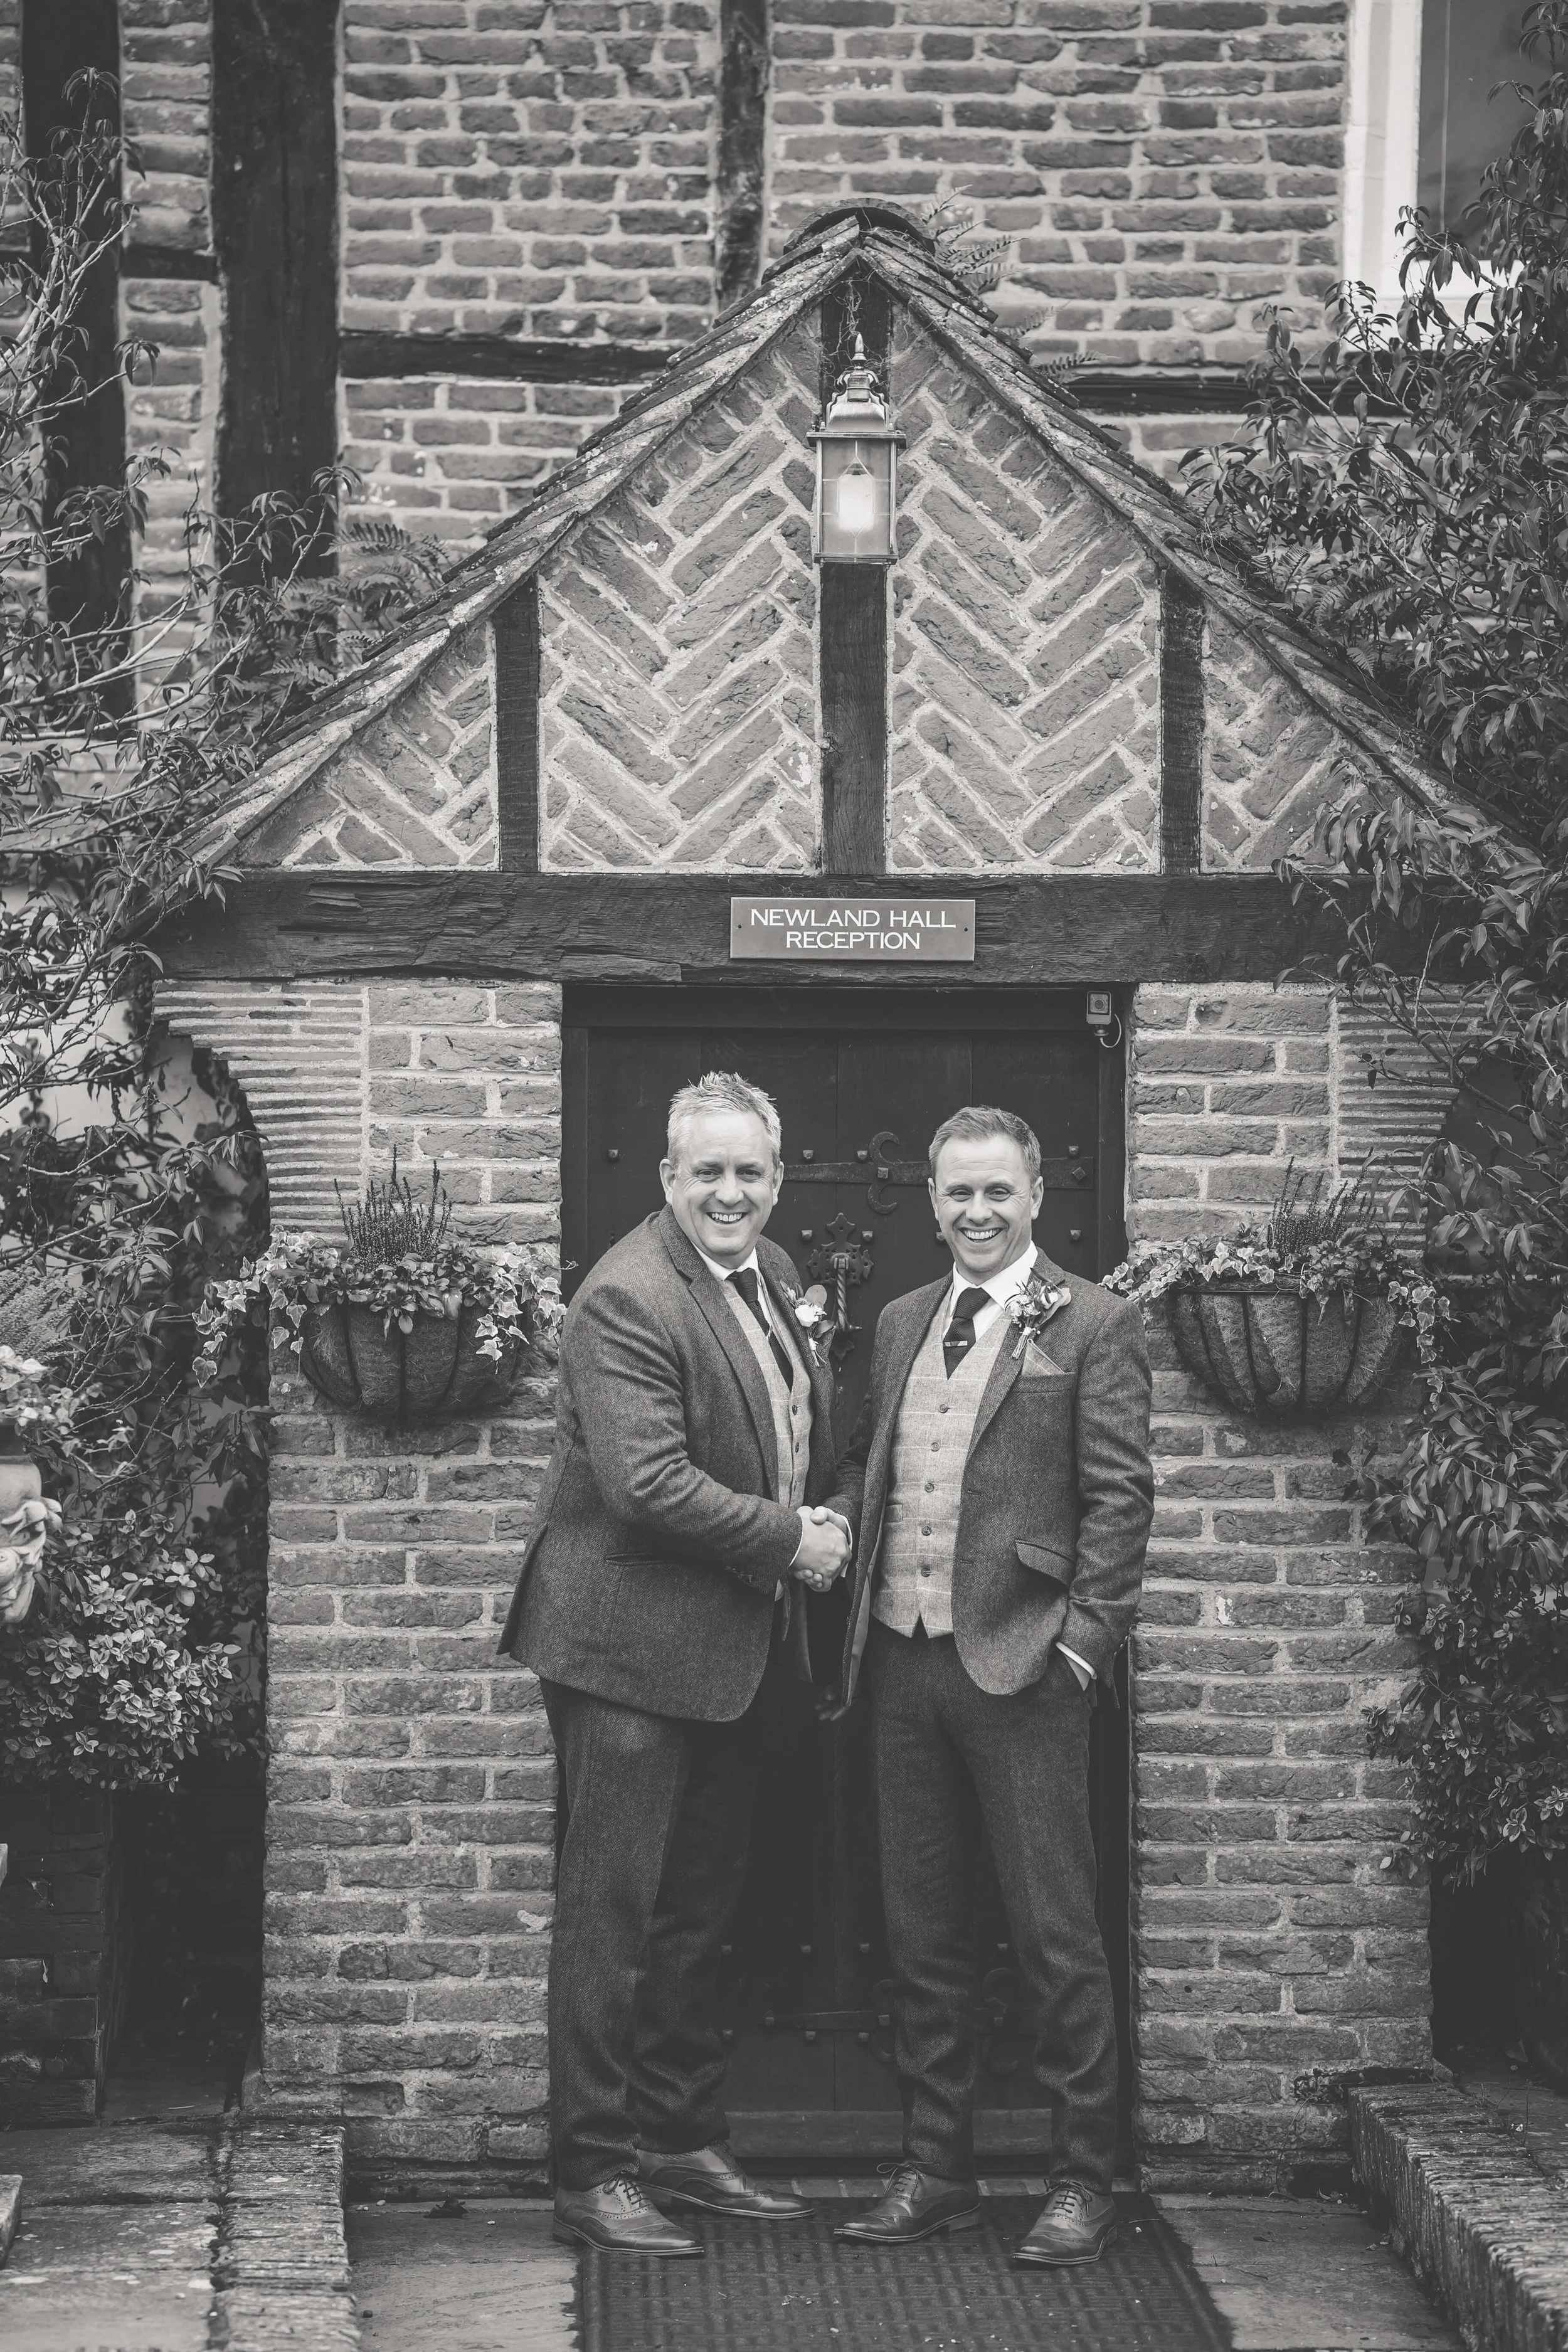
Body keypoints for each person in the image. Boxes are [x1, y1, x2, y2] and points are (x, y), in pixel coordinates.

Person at [500, 1071, 855, 2259]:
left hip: (734, 1655)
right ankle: (593, 2169)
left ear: (777, 1176)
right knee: (613, 1915)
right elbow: (645, 1484)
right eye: (707, 1170)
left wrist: (829, 1506)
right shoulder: (625, 1296)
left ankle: (678, 2136)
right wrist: (794, 1540)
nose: (730, 1191)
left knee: (699, 1913)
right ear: (666, 1178)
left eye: (750, 1171)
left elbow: (796, 1431)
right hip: (625, 1651)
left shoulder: (780, 1276)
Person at [829, 1105, 1152, 2267]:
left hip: (1025, 1669)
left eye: (996, 1193)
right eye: (956, 1193)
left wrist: (1081, 1646)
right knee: (923, 1936)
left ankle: (1082, 2176)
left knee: (1056, 1933)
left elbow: (1121, 1500)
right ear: (931, 1198)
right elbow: (879, 1467)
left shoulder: (1095, 1321)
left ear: (1035, 1196)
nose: (976, 1212)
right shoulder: (909, 1316)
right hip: (902, 1660)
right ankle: (938, 2167)